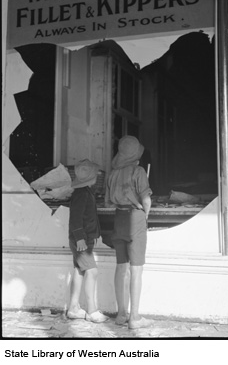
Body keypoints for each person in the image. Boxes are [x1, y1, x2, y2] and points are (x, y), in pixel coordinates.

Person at [105, 136, 153, 329]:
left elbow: (108, 202)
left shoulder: (113, 174)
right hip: (136, 218)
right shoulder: (139, 171)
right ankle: (135, 317)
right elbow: (146, 200)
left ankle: (121, 314)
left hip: (119, 218)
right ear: (136, 155)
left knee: (121, 267)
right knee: (136, 269)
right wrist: (145, 215)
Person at [67, 159, 109, 323]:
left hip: (83, 239)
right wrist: (80, 239)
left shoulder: (84, 191)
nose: (97, 177)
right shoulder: (82, 194)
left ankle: (73, 308)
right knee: (92, 271)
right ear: (91, 177)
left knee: (80, 270)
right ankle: (92, 311)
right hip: (81, 241)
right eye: (96, 174)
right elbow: (75, 219)